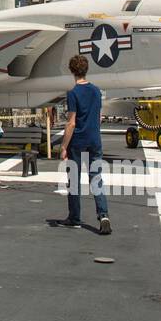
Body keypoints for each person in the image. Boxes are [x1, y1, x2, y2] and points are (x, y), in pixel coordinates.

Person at [56, 55, 110, 234]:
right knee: (96, 178)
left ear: (72, 71)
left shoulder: (72, 93)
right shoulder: (96, 91)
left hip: (77, 141)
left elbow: (71, 122)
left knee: (74, 181)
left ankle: (74, 217)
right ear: (86, 70)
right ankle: (103, 215)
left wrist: (64, 146)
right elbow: (99, 117)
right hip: (95, 139)